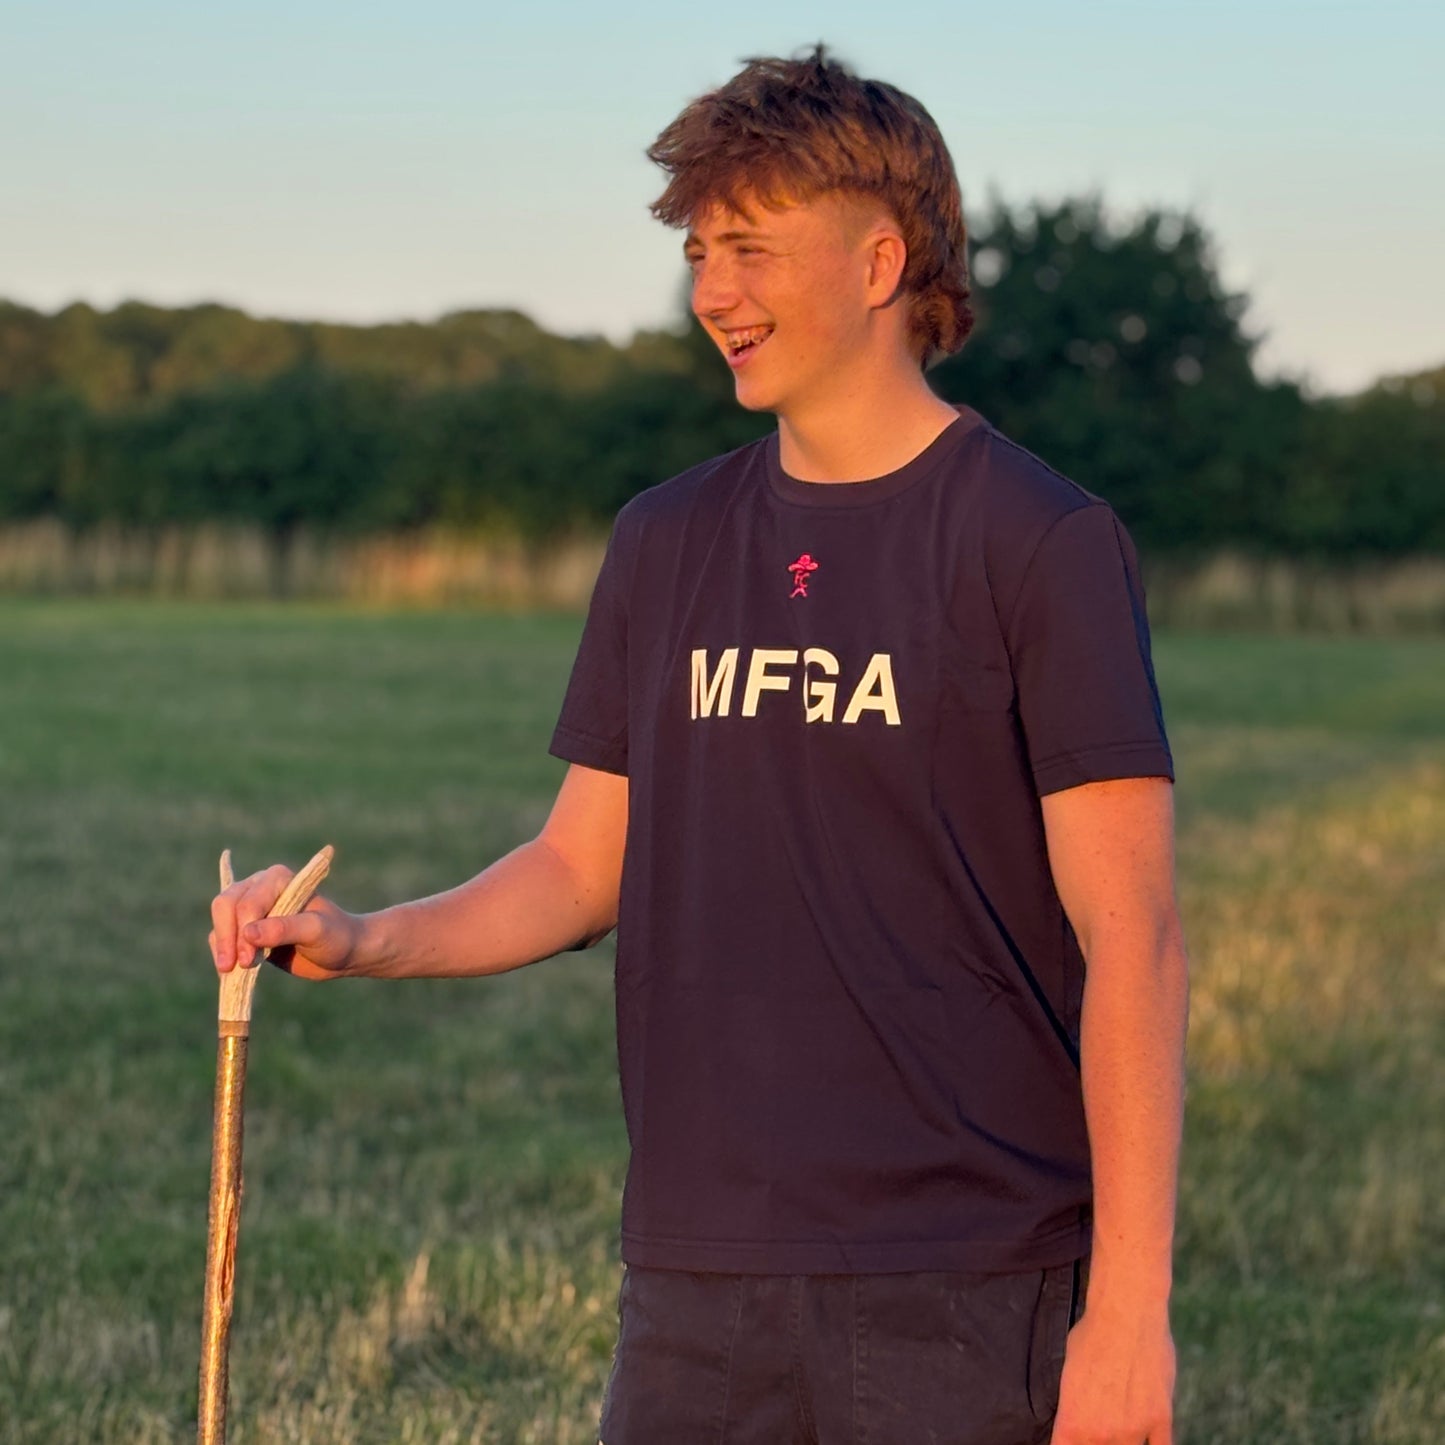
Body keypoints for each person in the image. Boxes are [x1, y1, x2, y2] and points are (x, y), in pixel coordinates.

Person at [210, 46, 1187, 1445]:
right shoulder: (664, 541)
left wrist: (1129, 1310)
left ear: (875, 262)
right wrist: (368, 937)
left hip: (963, 1277)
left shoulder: (1038, 542)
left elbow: (1134, 937)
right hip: (694, 1272)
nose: (709, 293)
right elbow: (575, 865)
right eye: (697, 253)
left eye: (747, 248)